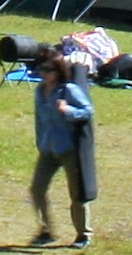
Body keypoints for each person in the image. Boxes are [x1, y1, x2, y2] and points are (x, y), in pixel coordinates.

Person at [29, 48, 98, 248]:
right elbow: (39, 119)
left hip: (68, 148)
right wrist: (40, 141)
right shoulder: (40, 91)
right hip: (48, 148)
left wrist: (67, 110)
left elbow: (87, 110)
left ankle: (83, 234)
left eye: (47, 69)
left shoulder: (68, 90)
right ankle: (46, 230)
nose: (43, 73)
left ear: (57, 71)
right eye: (41, 69)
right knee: (37, 190)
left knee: (77, 195)